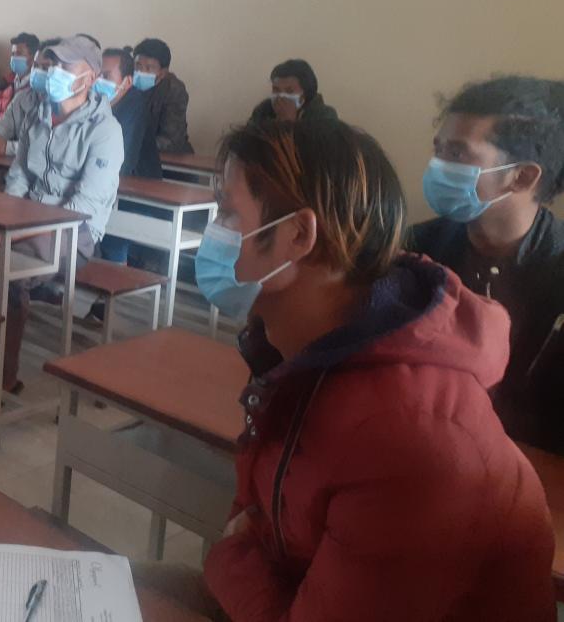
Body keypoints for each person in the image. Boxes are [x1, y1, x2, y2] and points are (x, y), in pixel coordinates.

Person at [157, 118, 555, 622]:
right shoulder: (298, 355)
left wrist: (229, 556)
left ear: (298, 235)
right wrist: (241, 553)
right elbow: (256, 511)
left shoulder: (412, 440)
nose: (213, 231)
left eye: (227, 213)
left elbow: (243, 537)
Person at [0, 37, 123, 396]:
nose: (55, 73)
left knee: (12, 272)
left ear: (89, 77)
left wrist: (18, 232)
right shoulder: (39, 114)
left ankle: (2, 379)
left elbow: (83, 204)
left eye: (65, 67)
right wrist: (5, 218)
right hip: (23, 220)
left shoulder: (105, 131)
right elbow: (19, 174)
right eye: (53, 65)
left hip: (74, 232)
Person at [406, 76, 564, 454]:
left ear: (522, 176)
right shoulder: (414, 249)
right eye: (438, 149)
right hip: (417, 452)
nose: (436, 166)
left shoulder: (557, 276)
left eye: (457, 154)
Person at [92, 47, 163, 273]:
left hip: (138, 191)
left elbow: (124, 161)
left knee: (111, 233)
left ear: (127, 82)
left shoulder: (135, 105)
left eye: (106, 76)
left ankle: (112, 279)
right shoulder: (94, 101)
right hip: (108, 184)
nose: (98, 81)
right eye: (97, 74)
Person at [0, 38, 59, 157]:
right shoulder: (22, 97)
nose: (38, 71)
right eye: (36, 66)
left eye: (45, 68)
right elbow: (4, 126)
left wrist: (6, 147)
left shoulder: (65, 107)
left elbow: (49, 148)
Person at [133, 38, 193, 155]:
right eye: (138, 66)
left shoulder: (174, 89)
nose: (141, 72)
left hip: (168, 157)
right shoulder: (127, 81)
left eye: (149, 68)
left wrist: (133, 142)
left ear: (162, 73)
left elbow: (171, 140)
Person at [248, 58, 338, 124]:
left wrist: (289, 122)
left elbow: (323, 144)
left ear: (304, 95)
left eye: (289, 91)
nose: (280, 97)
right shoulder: (263, 110)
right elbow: (248, 140)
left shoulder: (325, 115)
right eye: (276, 90)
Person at [0, 32, 40, 130]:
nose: (14, 58)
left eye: (19, 54)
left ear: (34, 57)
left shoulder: (37, 87)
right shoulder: (4, 83)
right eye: (13, 54)